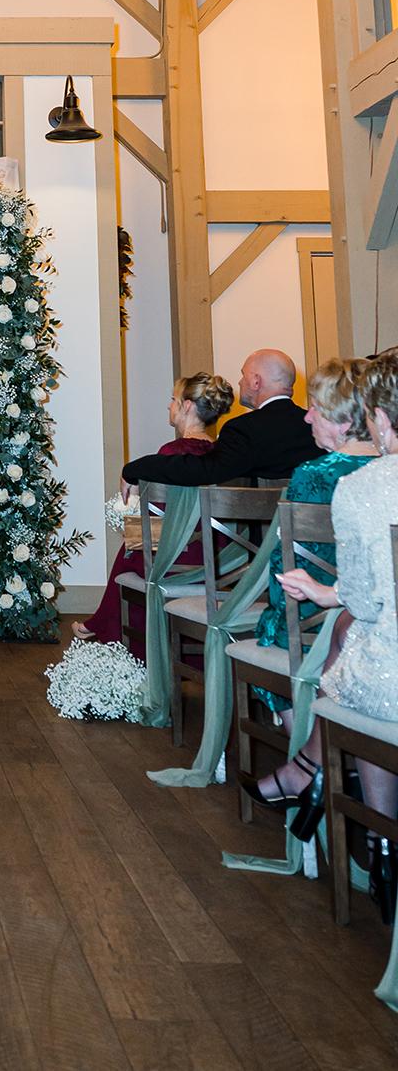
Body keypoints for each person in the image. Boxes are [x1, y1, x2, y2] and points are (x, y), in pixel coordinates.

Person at [267, 350, 398, 919]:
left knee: (352, 654)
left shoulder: (364, 487)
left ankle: (380, 838)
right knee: (349, 634)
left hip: (389, 677)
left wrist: (327, 594)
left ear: (379, 419)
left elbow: (367, 601)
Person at [240, 355, 375, 810]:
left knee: (269, 629)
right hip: (366, 616)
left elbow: (287, 572)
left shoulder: (313, 476)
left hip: (316, 620)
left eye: (316, 407)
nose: (306, 416)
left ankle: (310, 759)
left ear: (344, 421)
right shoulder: (386, 472)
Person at [73, 372, 235, 653]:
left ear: (187, 406)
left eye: (173, 399)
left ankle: (116, 635)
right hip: (220, 560)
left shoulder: (170, 453)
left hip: (176, 560)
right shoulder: (222, 455)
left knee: (132, 547)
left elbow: (158, 521)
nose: (169, 405)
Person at [122, 349, 321, 489]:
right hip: (314, 534)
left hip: (264, 537)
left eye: (243, 375)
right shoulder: (316, 427)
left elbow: (205, 470)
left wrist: (135, 468)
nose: (240, 382)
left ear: (256, 381)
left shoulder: (244, 429)